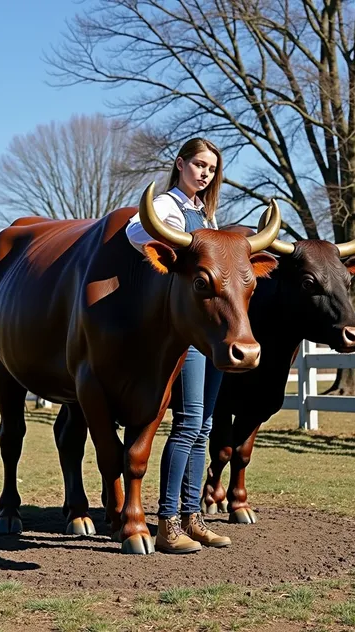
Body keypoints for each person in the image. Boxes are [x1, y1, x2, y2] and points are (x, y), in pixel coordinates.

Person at [126, 138, 231, 554]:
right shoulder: (166, 207)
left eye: (211, 169)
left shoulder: (207, 214)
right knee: (188, 423)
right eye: (199, 165)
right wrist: (175, 247)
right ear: (180, 163)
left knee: (204, 425)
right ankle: (167, 521)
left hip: (211, 332)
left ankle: (193, 517)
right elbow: (137, 232)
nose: (204, 174)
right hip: (183, 333)